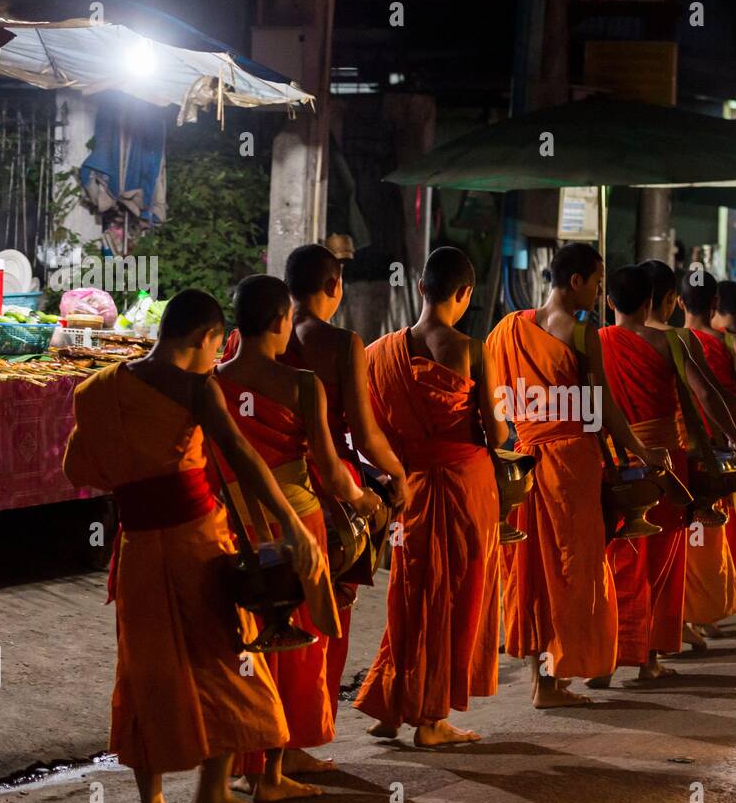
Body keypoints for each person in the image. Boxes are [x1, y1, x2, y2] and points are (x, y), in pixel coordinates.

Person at [62, 289, 322, 803]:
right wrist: (291, 523)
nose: (216, 357)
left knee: (145, 675)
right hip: (196, 547)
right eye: (215, 346)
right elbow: (244, 459)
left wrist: (141, 478)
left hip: (137, 548)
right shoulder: (198, 388)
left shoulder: (101, 389)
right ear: (204, 339)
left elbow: (76, 467)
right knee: (227, 660)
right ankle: (212, 794)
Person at [224, 244, 411, 757]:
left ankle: (255, 746)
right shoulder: (339, 344)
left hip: (244, 501)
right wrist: (394, 480)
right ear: (333, 287)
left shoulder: (236, 351)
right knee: (319, 621)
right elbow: (366, 439)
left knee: (259, 620)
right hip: (321, 496)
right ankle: (298, 741)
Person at [486, 242, 671, 707]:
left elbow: (489, 396)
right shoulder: (583, 332)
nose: (598, 292)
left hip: (525, 460)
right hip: (571, 463)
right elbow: (603, 406)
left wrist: (504, 444)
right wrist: (638, 450)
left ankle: (543, 682)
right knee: (574, 571)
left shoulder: (509, 327)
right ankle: (557, 675)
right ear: (576, 282)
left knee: (533, 573)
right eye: (596, 282)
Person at [353, 247, 504, 745]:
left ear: (420, 288)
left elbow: (369, 433)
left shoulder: (377, 354)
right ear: (464, 294)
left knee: (412, 592)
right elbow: (496, 433)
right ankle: (432, 719)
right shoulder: (470, 349)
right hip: (465, 486)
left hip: (409, 486)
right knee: (453, 597)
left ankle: (392, 706)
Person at [585, 265, 736, 687]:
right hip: (662, 463)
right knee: (659, 564)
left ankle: (605, 656)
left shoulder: (594, 342)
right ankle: (646, 660)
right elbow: (706, 395)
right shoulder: (673, 341)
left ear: (609, 303)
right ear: (652, 303)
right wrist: (735, 439)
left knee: (616, 560)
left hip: (611, 461)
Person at [679, 269, 736, 622]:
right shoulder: (729, 343)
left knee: (683, 535)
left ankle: (683, 618)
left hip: (679, 449)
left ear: (678, 302)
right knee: (725, 529)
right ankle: (720, 605)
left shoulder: (667, 340)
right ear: (715, 302)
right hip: (722, 452)